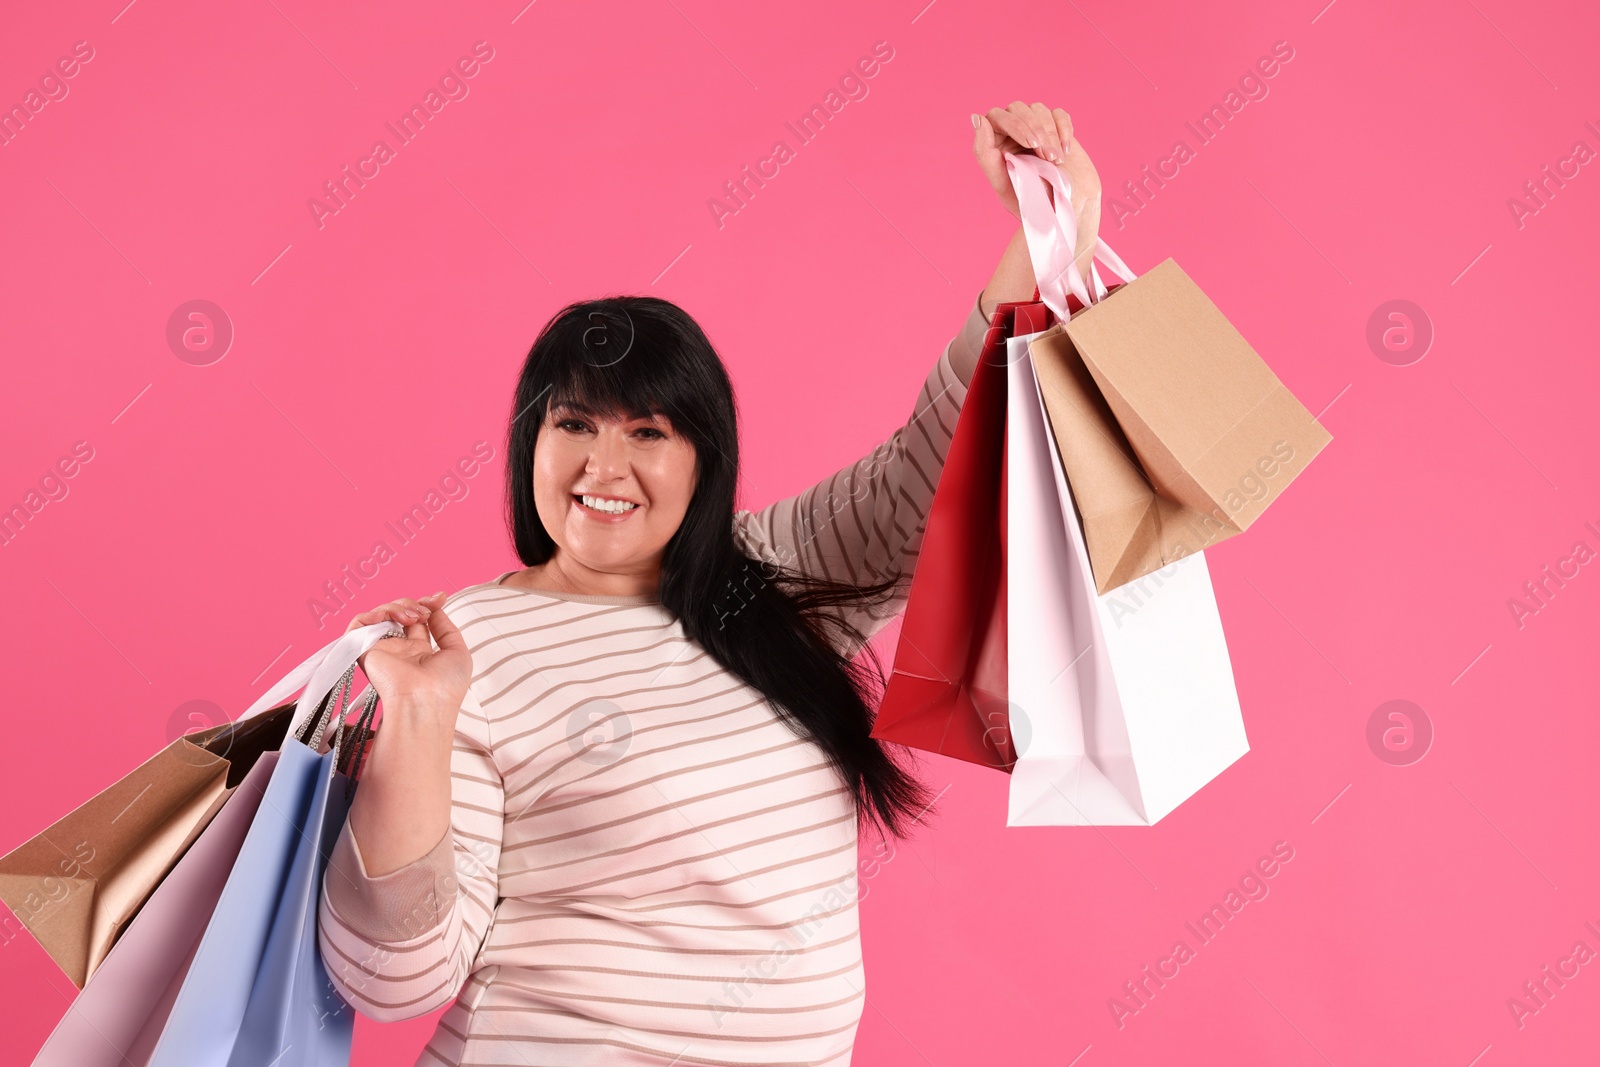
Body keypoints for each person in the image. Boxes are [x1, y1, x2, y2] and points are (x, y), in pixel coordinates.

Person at [317, 101, 1102, 1066]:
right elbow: (394, 981)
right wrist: (422, 718)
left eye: (647, 432)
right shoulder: (469, 649)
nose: (604, 465)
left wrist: (1052, 226)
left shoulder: (762, 576)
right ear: (530, 442)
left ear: (705, 458)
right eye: (574, 425)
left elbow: (927, 470)